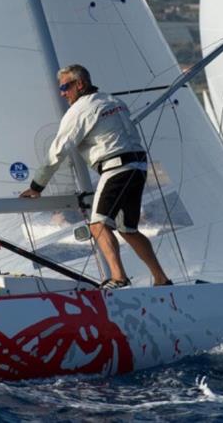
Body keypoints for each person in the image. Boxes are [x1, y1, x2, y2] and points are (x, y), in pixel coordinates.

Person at [20, 64, 171, 288]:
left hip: (116, 169)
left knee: (97, 225)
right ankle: (161, 279)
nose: (62, 93)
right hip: (138, 168)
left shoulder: (79, 110)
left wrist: (36, 187)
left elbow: (58, 151)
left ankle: (118, 278)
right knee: (128, 229)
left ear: (79, 84)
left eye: (65, 87)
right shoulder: (114, 101)